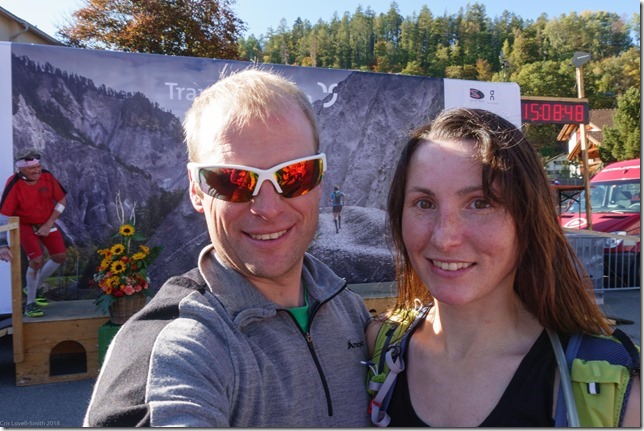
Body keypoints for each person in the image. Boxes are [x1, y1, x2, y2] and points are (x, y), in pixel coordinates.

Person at [84, 69, 372, 427]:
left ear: (319, 180)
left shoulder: (349, 310)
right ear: (196, 189)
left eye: (294, 174)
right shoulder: (179, 345)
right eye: (233, 180)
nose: (268, 208)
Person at [366, 108, 640, 427]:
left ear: (528, 220)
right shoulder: (379, 347)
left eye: (480, 203)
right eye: (424, 204)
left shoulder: (618, 394)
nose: (444, 238)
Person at [0, 149, 67, 318]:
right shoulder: (13, 183)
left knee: (59, 256)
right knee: (36, 260)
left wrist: (49, 223)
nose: (37, 171)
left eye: (38, 166)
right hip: (24, 225)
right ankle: (30, 303)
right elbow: (2, 215)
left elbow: (61, 200)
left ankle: (34, 287)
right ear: (20, 169)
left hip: (46, 222)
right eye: (32, 168)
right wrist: (2, 244)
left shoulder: (47, 176)